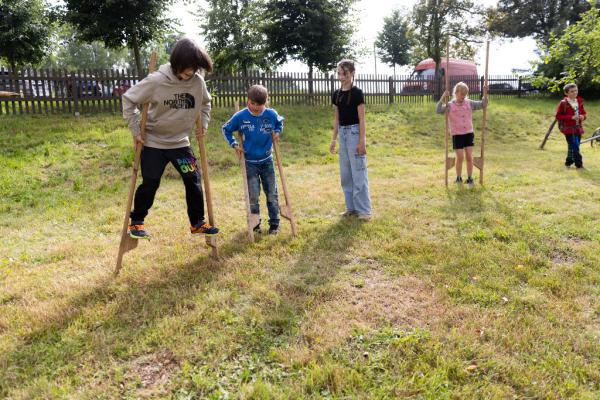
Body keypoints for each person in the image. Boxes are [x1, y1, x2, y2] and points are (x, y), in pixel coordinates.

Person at [122, 37, 219, 239]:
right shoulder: (156, 81)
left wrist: (203, 123)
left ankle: (197, 223)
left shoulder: (197, 82)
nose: (192, 73)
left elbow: (205, 103)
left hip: (180, 143)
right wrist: (136, 130)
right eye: (188, 69)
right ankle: (137, 222)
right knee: (151, 182)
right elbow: (128, 99)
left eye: (195, 69)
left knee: (192, 179)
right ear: (177, 63)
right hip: (153, 143)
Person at [222, 85, 284, 235]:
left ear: (266, 101)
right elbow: (226, 129)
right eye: (252, 103)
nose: (255, 107)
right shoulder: (240, 116)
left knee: (272, 193)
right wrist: (234, 144)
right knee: (253, 195)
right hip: (249, 163)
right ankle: (255, 225)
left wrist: (277, 131)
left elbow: (279, 123)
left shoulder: (271, 114)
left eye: (259, 104)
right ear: (248, 100)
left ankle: (274, 224)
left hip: (267, 160)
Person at [330, 59, 372, 220]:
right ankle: (351, 208)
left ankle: (364, 211)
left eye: (345, 73)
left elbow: (362, 119)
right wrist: (334, 139)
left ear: (352, 73)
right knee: (346, 174)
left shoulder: (357, 93)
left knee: (359, 172)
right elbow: (336, 119)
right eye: (339, 73)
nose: (341, 77)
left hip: (355, 133)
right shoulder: (336, 94)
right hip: (343, 134)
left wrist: (362, 142)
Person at [437, 81, 488, 186]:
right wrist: (443, 97)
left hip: (468, 133)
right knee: (460, 157)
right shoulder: (450, 105)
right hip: (457, 135)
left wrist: (485, 92)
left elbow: (483, 104)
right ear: (456, 93)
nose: (463, 97)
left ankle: (470, 178)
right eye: (461, 95)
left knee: (469, 156)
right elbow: (438, 110)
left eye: (465, 95)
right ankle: (458, 178)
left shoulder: (469, 103)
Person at [555, 83, 587, 169]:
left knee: (574, 146)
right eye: (572, 91)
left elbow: (584, 113)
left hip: (578, 128)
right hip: (568, 129)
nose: (575, 93)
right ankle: (579, 164)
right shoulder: (563, 103)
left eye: (576, 90)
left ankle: (568, 162)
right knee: (575, 146)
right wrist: (571, 117)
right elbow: (558, 116)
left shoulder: (580, 101)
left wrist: (583, 116)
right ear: (566, 93)